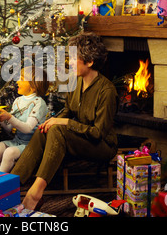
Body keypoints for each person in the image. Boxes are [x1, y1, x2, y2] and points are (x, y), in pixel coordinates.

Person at [11, 32, 118, 210]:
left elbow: (98, 133)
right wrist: (53, 120)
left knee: (57, 129)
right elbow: (69, 110)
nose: (70, 62)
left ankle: (35, 192)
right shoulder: (76, 82)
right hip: (82, 138)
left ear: (90, 62)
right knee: (45, 128)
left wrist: (64, 123)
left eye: (75, 58)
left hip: (102, 145)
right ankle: (11, 185)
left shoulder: (106, 91)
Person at [0, 66, 49, 173]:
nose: (17, 81)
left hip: (32, 144)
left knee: (9, 153)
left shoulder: (39, 103)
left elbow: (27, 129)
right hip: (17, 142)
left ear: (33, 86)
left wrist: (9, 117)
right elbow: (9, 129)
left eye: (21, 79)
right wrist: (0, 119)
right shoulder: (17, 101)